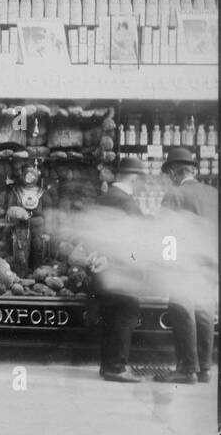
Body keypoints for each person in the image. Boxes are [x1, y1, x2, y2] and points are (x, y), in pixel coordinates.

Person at [155, 148, 218, 385]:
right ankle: (204, 369)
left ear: (173, 172)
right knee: (204, 313)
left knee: (182, 313)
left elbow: (167, 235)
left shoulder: (174, 195)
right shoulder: (213, 193)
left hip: (184, 265)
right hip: (210, 264)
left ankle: (186, 369)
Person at [91, 158, 150, 383]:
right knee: (126, 315)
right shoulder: (129, 204)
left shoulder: (102, 199)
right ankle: (117, 367)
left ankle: (106, 365)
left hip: (101, 270)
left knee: (109, 317)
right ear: (134, 178)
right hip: (123, 270)